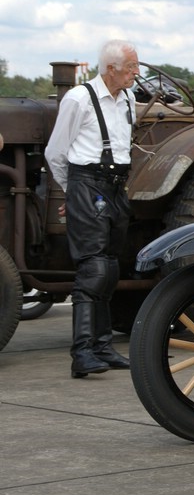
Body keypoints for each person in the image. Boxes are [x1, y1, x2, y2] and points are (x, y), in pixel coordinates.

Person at [45, 39, 138, 378]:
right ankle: (82, 352)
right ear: (111, 69)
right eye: (131, 67)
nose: (136, 73)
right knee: (93, 270)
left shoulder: (128, 98)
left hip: (115, 187)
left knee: (110, 268)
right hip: (87, 184)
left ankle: (102, 346)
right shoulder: (79, 99)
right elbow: (55, 152)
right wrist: (73, 193)